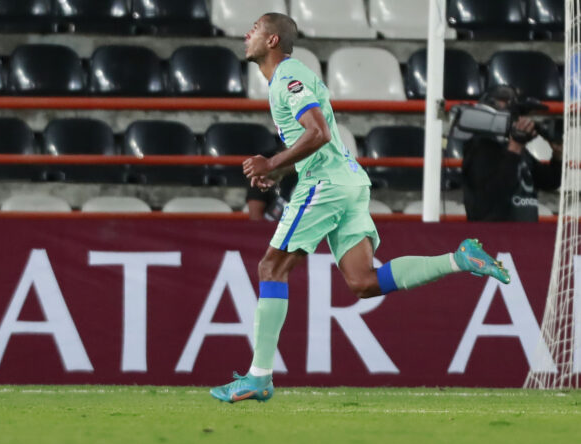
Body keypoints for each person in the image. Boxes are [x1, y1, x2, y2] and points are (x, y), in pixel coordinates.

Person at [210, 13, 511, 404]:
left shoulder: (287, 77)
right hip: (349, 181)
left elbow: (318, 132)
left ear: (272, 41)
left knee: (271, 268)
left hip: (326, 184)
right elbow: (317, 136)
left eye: (256, 28)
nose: (247, 33)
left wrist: (270, 163)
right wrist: (281, 170)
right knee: (364, 281)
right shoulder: (286, 78)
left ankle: (259, 377)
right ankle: (459, 259)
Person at [460, 85, 562, 221]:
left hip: (525, 230)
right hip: (496, 231)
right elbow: (492, 196)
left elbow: (550, 181)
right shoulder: (480, 148)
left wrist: (557, 154)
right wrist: (515, 146)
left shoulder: (518, 150)